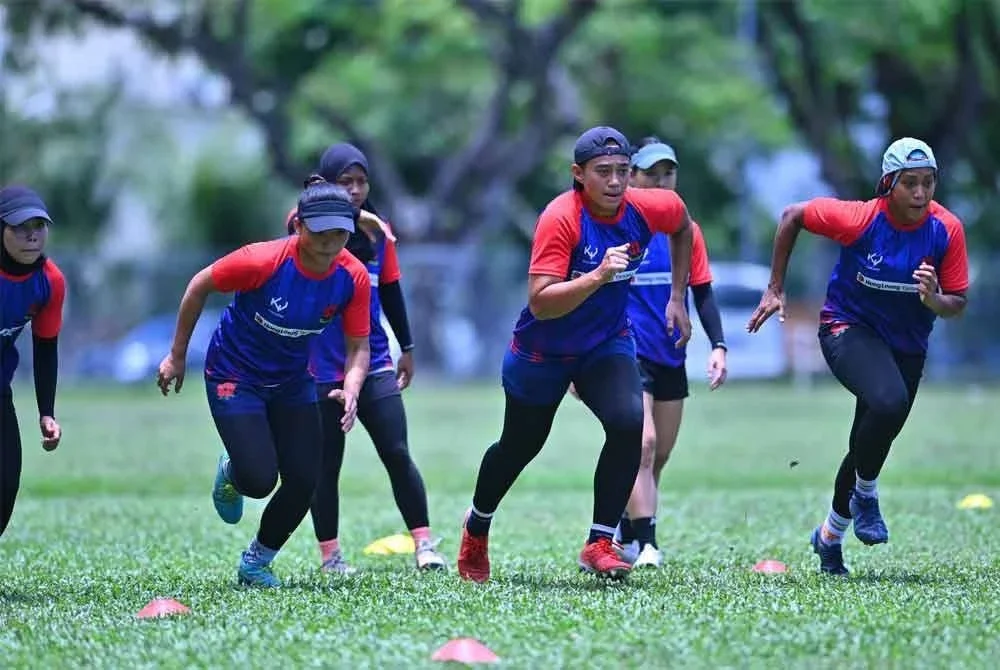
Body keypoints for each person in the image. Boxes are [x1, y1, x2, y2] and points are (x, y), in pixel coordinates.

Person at [456, 126, 696, 583]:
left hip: (606, 343)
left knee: (628, 422)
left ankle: (600, 542)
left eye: (623, 170)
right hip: (543, 351)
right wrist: (597, 276)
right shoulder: (560, 217)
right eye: (603, 171)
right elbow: (540, 303)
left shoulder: (651, 207)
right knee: (519, 447)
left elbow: (683, 225)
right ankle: (477, 527)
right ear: (578, 174)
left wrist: (678, 296)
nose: (615, 181)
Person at [747, 138, 969, 575]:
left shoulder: (946, 229)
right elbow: (792, 215)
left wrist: (933, 299)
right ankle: (866, 495)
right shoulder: (860, 219)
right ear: (888, 184)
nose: (920, 193)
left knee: (871, 439)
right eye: (909, 183)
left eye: (928, 183)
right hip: (847, 328)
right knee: (888, 402)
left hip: (907, 345)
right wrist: (775, 287)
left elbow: (957, 302)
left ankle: (828, 538)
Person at [156, 177, 372, 588]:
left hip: (292, 380)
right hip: (234, 373)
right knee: (258, 481)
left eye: (340, 232)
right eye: (320, 231)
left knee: (305, 478)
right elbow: (199, 286)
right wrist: (177, 355)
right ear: (298, 225)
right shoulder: (262, 261)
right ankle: (232, 469)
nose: (329, 242)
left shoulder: (352, 277)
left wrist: (353, 387)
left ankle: (257, 562)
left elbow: (359, 345)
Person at [301, 143, 446, 573]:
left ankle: (424, 544)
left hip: (374, 360)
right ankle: (331, 557)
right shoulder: (304, 225)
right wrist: (350, 216)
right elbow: (295, 224)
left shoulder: (380, 234)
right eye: (344, 182)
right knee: (325, 464)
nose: (355, 190)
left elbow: (392, 291)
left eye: (361, 182)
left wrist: (409, 348)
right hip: (319, 368)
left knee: (397, 451)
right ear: (325, 184)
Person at [614, 137, 729, 568]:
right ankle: (647, 543)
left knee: (657, 455)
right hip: (627, 351)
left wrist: (718, 345)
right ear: (632, 178)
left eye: (668, 173)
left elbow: (703, 292)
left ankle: (626, 531)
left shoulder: (686, 231)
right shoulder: (618, 226)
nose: (661, 182)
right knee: (642, 445)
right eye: (651, 174)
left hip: (671, 353)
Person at [0, 186, 65, 540]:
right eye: (20, 226)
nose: (32, 235)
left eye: (38, 225)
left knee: (6, 483)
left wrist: (47, 412)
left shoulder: (49, 281)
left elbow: (45, 346)